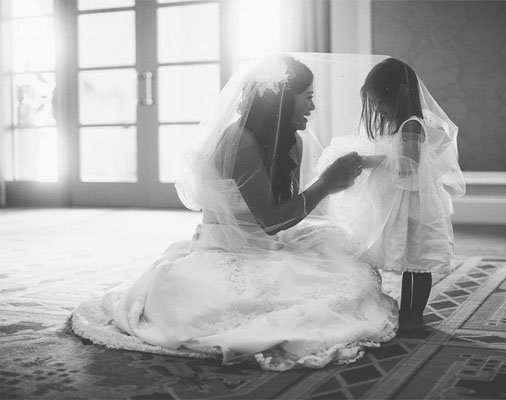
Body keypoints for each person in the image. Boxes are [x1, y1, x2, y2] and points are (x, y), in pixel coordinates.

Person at [71, 54, 398, 371]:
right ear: (283, 100)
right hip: (227, 247)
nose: (313, 106)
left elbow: (283, 213)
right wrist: (325, 184)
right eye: (307, 97)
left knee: (350, 268)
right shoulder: (238, 142)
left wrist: (335, 183)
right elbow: (271, 220)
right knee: (244, 304)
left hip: (270, 244)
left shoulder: (292, 143)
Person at [319, 58, 465, 330]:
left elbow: (409, 166)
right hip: (404, 202)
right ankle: (408, 314)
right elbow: (398, 158)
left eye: (379, 102)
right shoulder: (400, 126)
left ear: (398, 94)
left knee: (419, 262)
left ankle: (414, 316)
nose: (377, 110)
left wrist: (369, 160)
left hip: (416, 205)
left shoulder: (412, 125)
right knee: (411, 262)